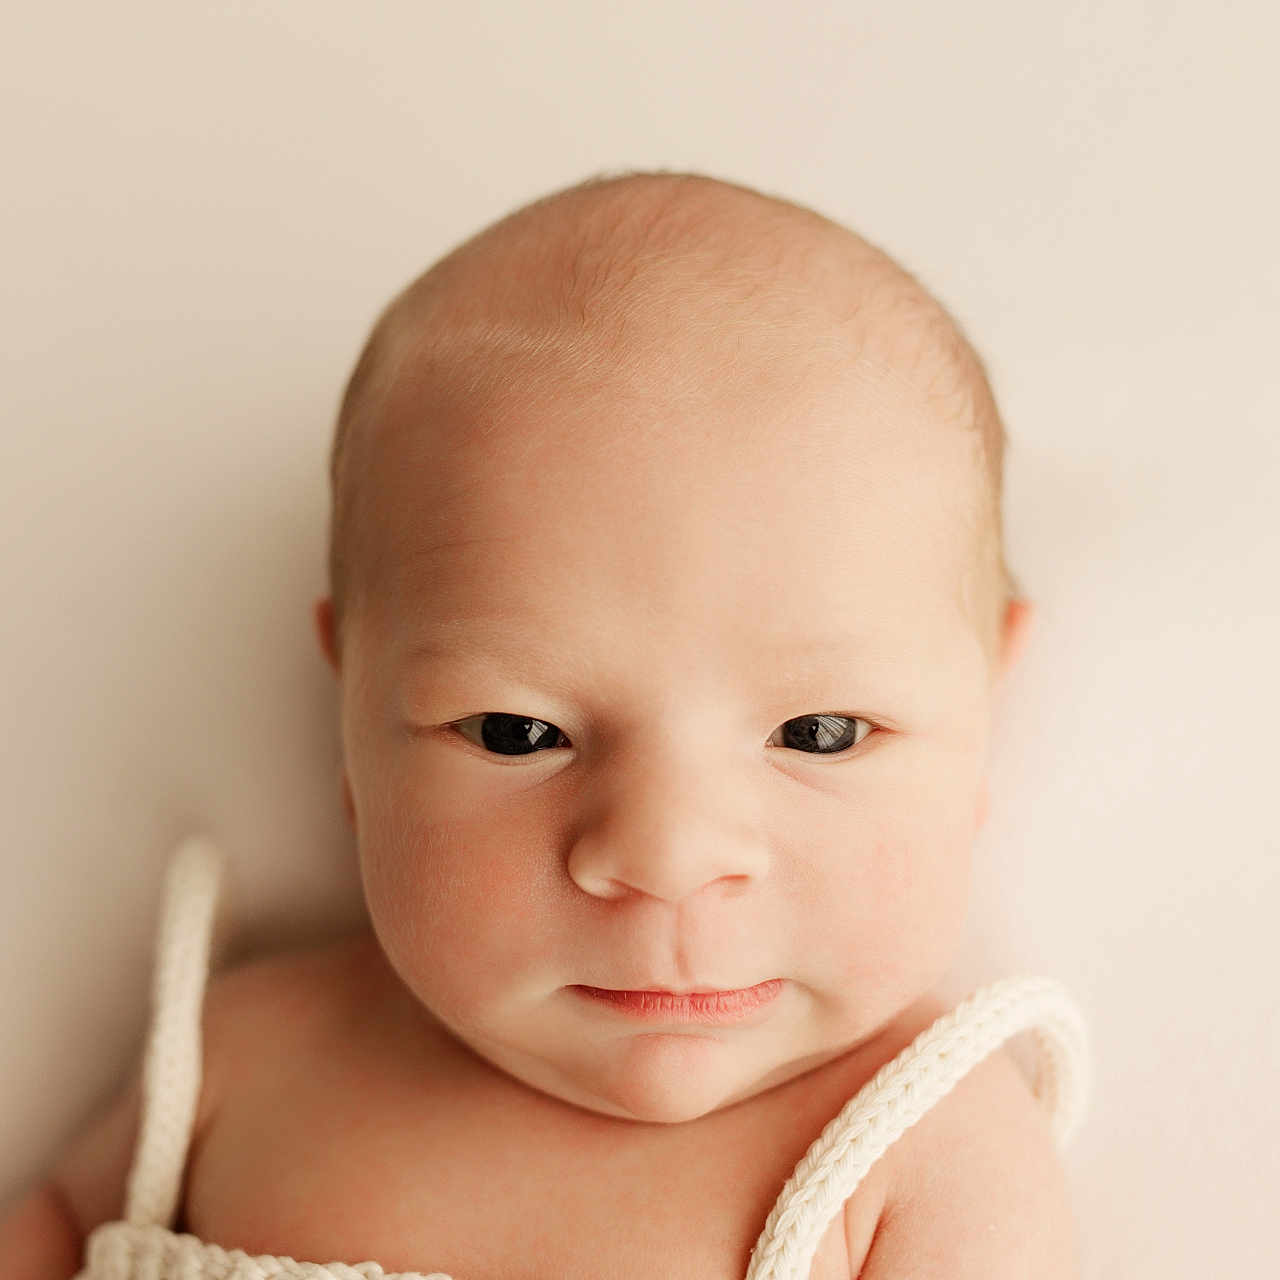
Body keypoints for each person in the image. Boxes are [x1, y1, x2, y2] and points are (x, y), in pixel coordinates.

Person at [1, 168, 1091, 1280]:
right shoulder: (244, 1055)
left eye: (817, 732)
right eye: (518, 733)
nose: (664, 857)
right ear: (352, 717)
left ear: (981, 709)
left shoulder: (920, 1149)